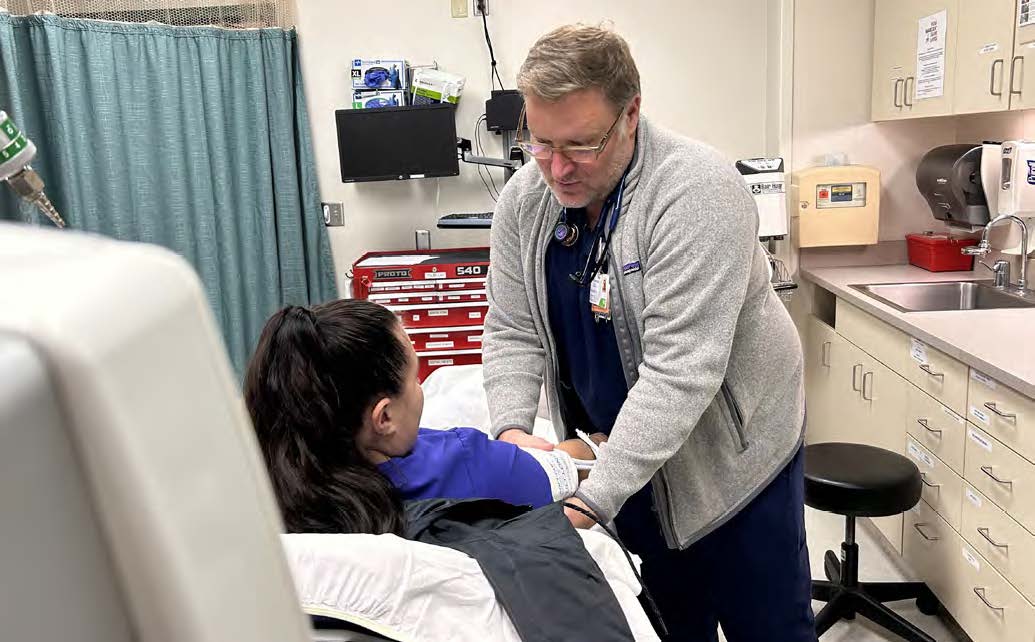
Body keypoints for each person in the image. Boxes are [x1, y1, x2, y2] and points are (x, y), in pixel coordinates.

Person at [482, 24, 815, 641]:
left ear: (631, 113)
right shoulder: (526, 201)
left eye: (580, 145)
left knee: (766, 626)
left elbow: (680, 372)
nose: (556, 169)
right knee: (662, 623)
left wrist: (589, 502)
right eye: (540, 142)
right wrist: (512, 436)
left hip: (733, 464)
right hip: (618, 456)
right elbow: (512, 328)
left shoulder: (696, 192)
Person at [242, 298, 602, 535]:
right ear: (383, 418)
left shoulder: (266, 486)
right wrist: (598, 449)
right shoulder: (471, 467)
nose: (420, 387)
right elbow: (568, 473)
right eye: (414, 378)